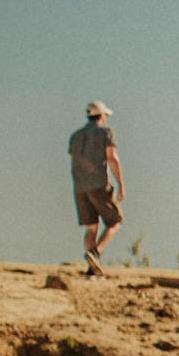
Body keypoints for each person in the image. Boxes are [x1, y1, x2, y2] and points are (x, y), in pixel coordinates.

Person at [68, 101, 126, 277]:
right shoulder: (105, 133)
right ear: (101, 116)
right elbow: (112, 158)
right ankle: (96, 252)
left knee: (91, 227)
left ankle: (92, 269)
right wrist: (121, 183)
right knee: (115, 221)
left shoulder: (76, 136)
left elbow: (75, 160)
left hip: (79, 186)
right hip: (99, 184)